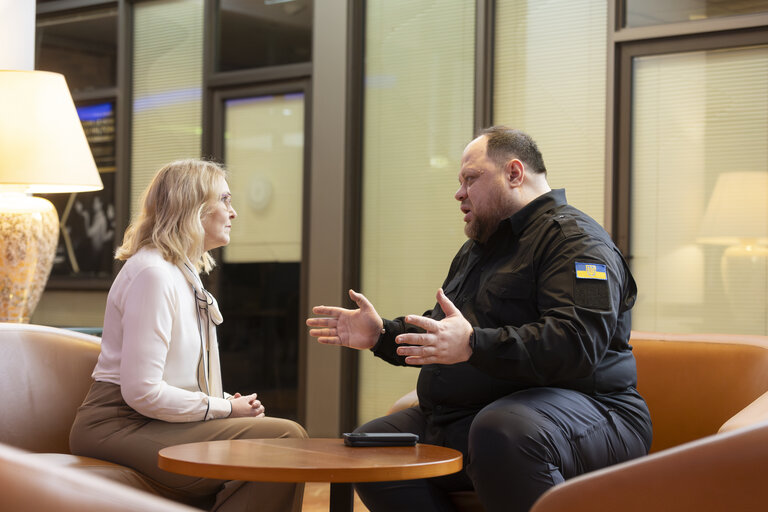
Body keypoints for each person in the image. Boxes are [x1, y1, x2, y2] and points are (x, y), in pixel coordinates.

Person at [307, 127, 653, 512]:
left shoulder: (577, 242)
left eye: (470, 179)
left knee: (502, 430)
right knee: (372, 446)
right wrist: (382, 334)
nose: (459, 193)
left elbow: (576, 343)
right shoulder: (479, 249)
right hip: (481, 415)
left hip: (594, 415)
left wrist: (473, 345)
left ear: (515, 174)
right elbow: (447, 333)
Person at [70, 159, 307, 512]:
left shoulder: (179, 273)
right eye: (225, 200)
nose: (234, 212)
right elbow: (142, 392)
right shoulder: (153, 274)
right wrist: (223, 408)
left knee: (278, 439)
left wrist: (225, 404)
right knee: (285, 437)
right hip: (118, 426)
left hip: (153, 421)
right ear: (193, 208)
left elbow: (173, 377)